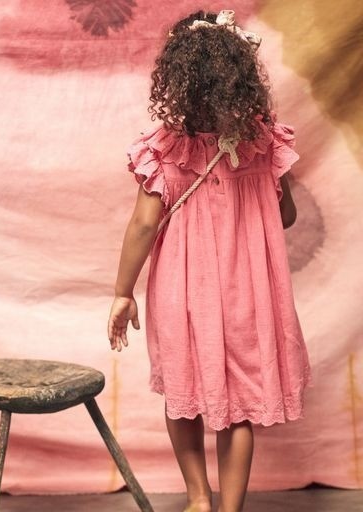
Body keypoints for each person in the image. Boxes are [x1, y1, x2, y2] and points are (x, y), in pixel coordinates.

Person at [107, 9, 313, 512]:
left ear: (179, 80)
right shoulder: (263, 141)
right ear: (240, 78)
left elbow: (143, 225)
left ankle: (199, 499)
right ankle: (230, 508)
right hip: (248, 291)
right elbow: (285, 215)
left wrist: (122, 292)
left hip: (183, 289)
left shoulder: (165, 148)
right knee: (239, 406)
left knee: (184, 391)